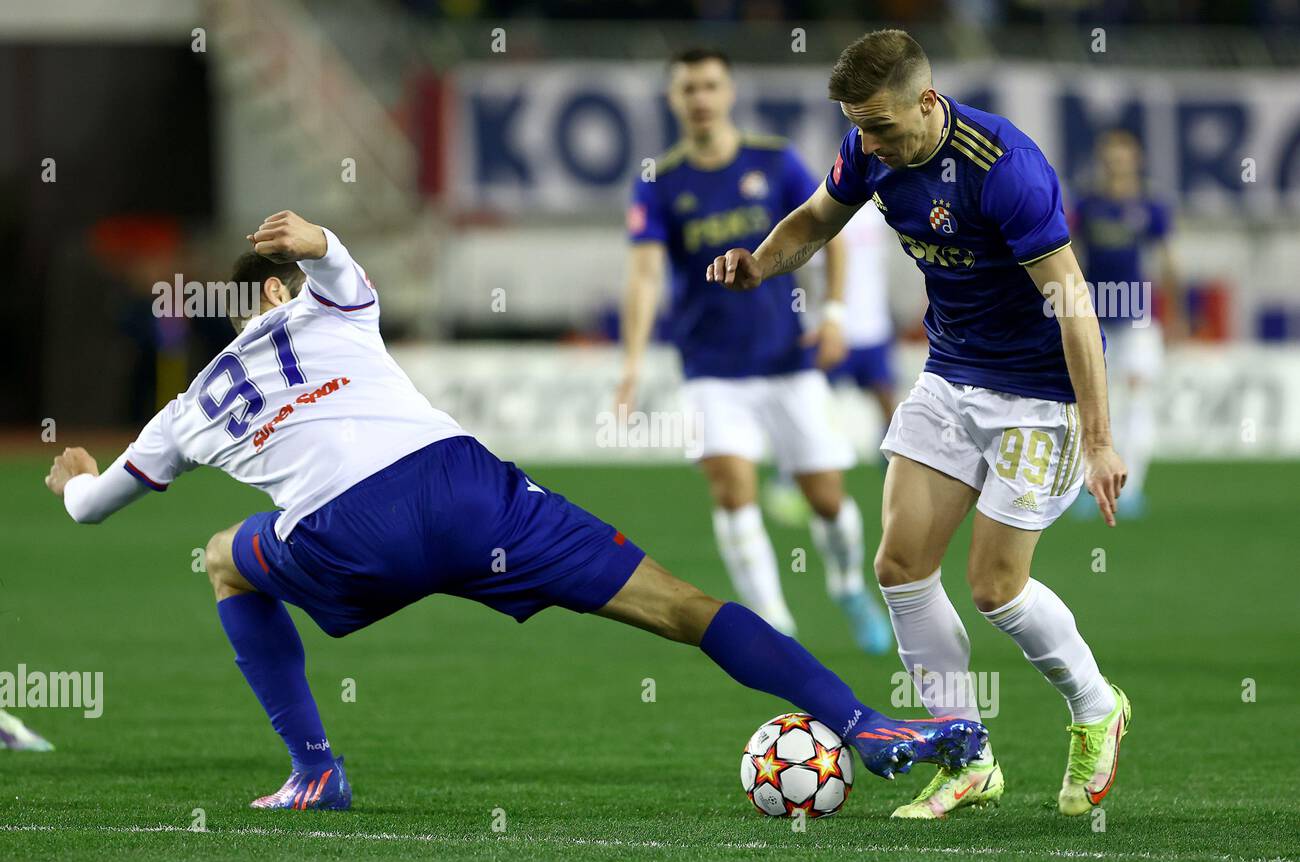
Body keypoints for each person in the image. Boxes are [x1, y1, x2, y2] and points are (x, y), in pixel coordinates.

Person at [44, 210, 985, 811]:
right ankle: (863, 721)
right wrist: (318, 240)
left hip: (350, 538)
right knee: (684, 608)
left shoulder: (182, 412)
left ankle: (315, 768)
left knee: (222, 554)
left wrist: (73, 477)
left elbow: (90, 509)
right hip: (471, 492)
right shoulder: (324, 312)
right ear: (271, 297)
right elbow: (338, 258)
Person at [706, 29, 1131, 819]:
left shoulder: (1004, 169)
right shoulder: (871, 149)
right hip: (951, 376)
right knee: (900, 568)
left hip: (1041, 394)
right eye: (858, 127)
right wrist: (760, 261)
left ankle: (1097, 706)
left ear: (927, 103)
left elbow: (1074, 303)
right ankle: (966, 754)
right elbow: (814, 219)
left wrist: (1101, 439)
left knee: (995, 588)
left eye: (881, 127)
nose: (867, 144)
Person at [617, 48, 891, 653]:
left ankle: (848, 587)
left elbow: (828, 229)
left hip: (786, 358)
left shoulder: (774, 161)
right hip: (710, 366)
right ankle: (774, 626)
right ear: (674, 99)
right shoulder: (660, 181)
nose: (700, 98)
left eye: (710, 85)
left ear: (729, 91)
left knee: (826, 499)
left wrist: (835, 315)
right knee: (732, 490)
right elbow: (643, 276)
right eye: (688, 88)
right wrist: (631, 363)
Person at [1071, 128, 1185, 518]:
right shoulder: (1087, 205)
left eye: (1122, 156)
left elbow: (1168, 261)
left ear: (1136, 159)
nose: (1115, 164)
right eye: (1109, 157)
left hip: (1138, 315)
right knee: (1097, 401)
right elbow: (1068, 255)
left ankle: (1130, 486)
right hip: (1096, 314)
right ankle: (1091, 484)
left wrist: (1176, 316)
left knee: (1136, 398)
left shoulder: (1151, 206)